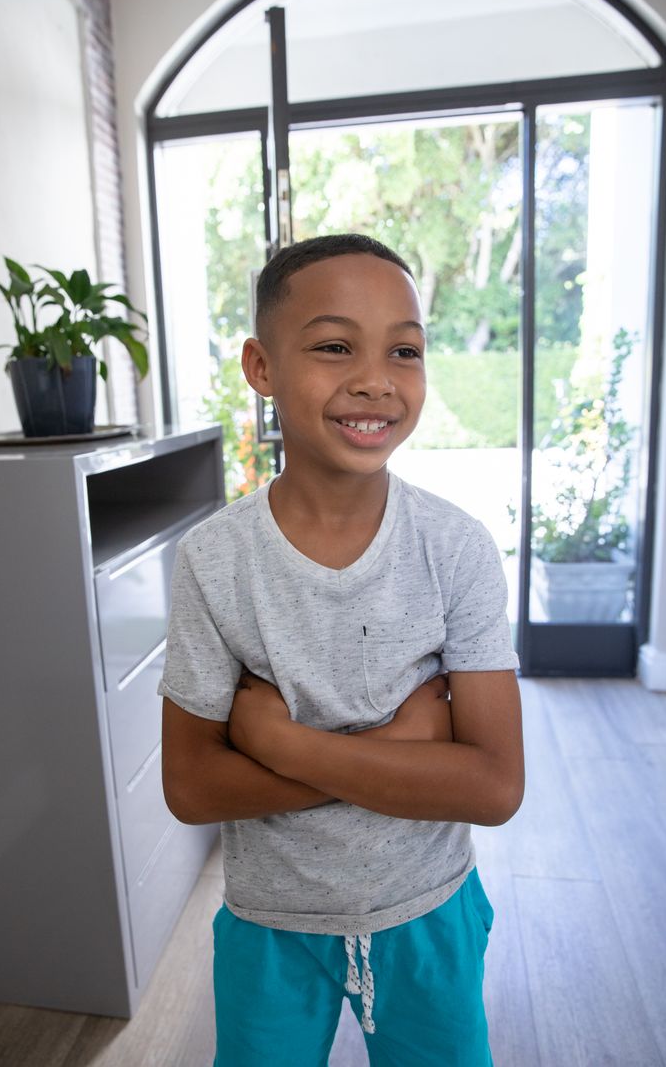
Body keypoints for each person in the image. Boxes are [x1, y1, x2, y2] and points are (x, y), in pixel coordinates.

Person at [160, 233, 524, 1067]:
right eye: (334, 347)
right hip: (268, 929)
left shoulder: (455, 548)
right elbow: (191, 786)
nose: (375, 379)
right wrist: (401, 745)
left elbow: (495, 785)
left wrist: (282, 743)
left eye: (405, 350)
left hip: (429, 914)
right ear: (260, 367)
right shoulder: (215, 561)